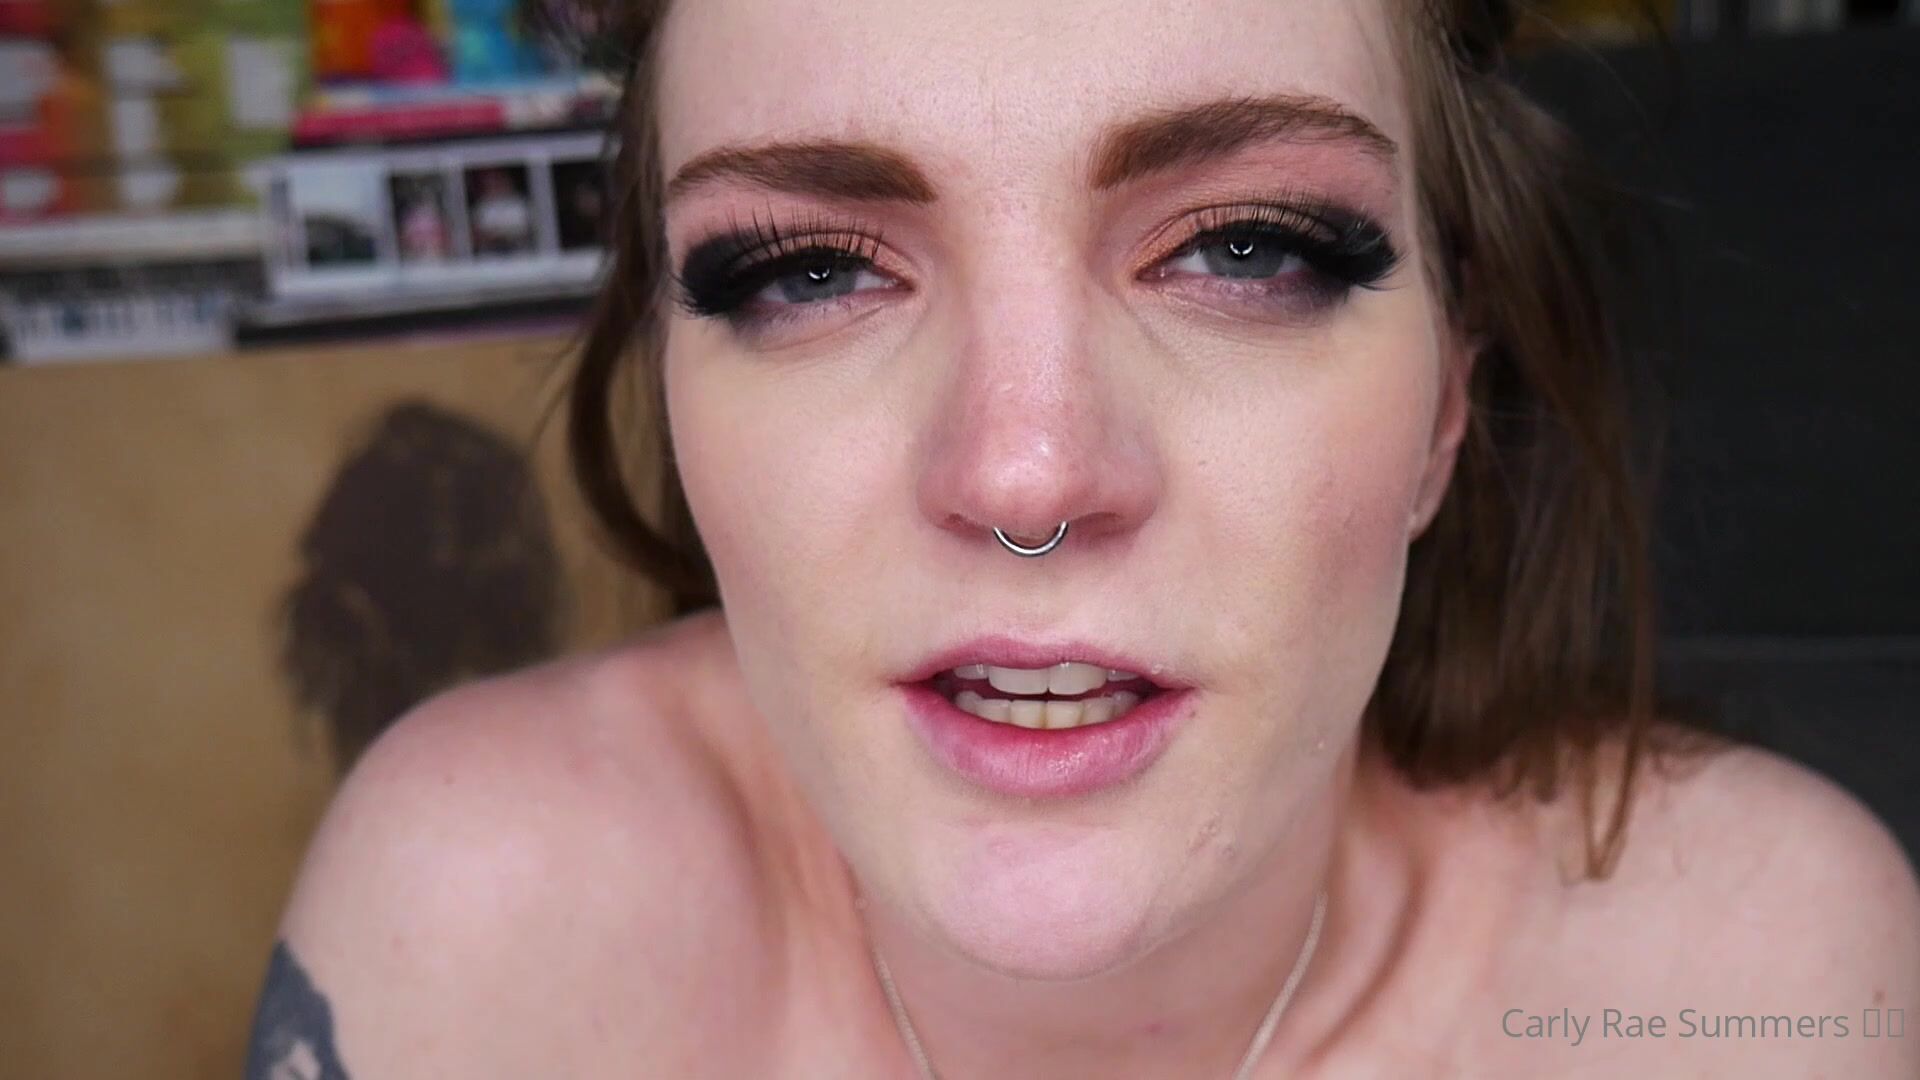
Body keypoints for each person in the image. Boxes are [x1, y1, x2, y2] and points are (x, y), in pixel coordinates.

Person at [248, 1, 1920, 1076]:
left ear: (1444, 405)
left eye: (1248, 249)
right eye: (810, 270)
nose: (1028, 475)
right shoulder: (482, 916)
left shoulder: (1747, 982)